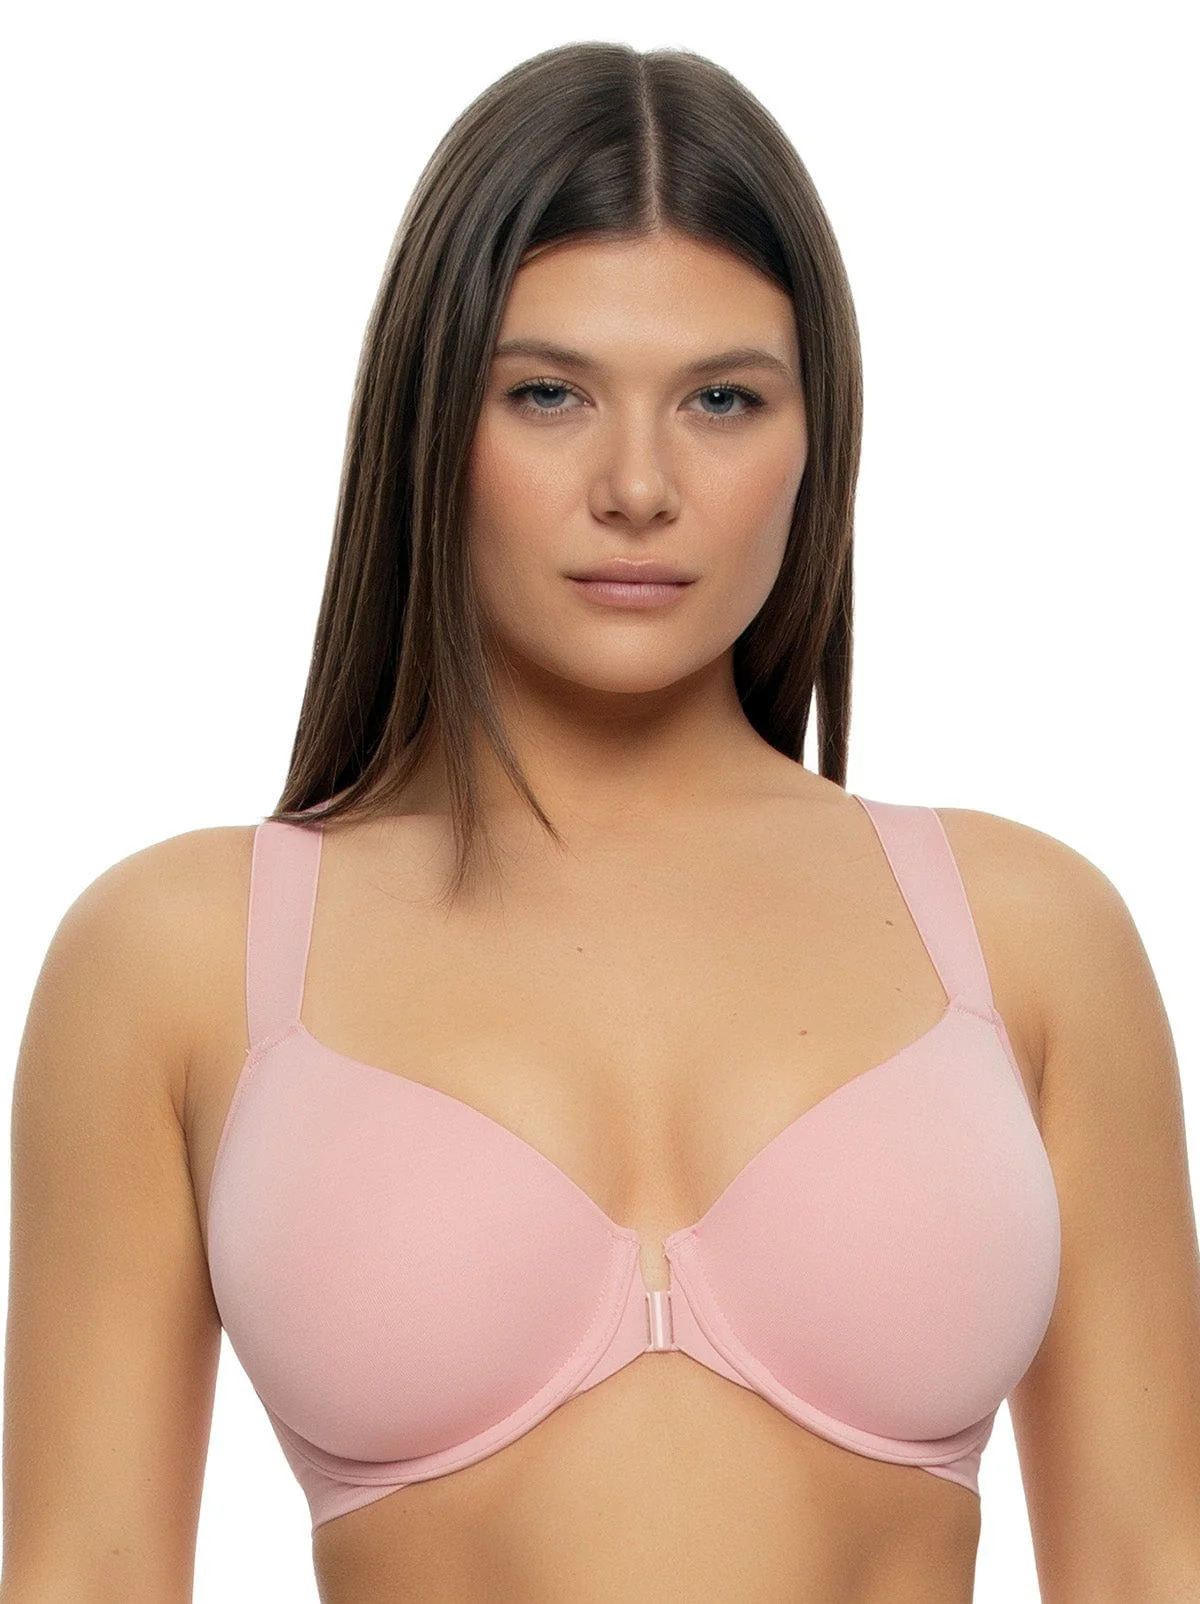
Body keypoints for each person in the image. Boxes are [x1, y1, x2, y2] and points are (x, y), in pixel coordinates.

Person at [3, 38, 1198, 1604]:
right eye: (549, 394)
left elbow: (1150, 1564)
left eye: (723, 398)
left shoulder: (1030, 935)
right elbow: (79, 1576)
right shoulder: (177, 956)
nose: (639, 485)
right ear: (434, 421)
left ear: (818, 435)